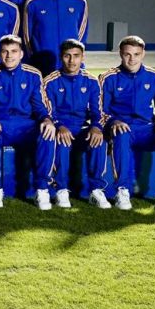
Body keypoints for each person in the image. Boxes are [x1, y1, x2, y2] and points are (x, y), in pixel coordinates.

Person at [99, 35, 155, 211]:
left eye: (136, 54)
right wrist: (113, 121)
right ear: (120, 54)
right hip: (122, 129)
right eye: (127, 54)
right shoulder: (108, 78)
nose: (132, 59)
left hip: (147, 129)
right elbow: (100, 109)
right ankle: (122, 190)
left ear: (143, 53)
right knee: (121, 134)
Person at [0, 35, 57, 210]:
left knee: (47, 132)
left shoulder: (33, 74)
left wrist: (47, 119)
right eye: (5, 51)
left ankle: (42, 189)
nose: (9, 56)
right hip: (0, 124)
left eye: (14, 51)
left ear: (21, 54)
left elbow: (39, 106)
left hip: (26, 125)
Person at [43, 39, 110, 210]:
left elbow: (98, 111)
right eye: (67, 56)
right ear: (61, 57)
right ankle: (61, 189)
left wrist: (96, 127)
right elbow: (48, 111)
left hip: (82, 128)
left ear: (83, 57)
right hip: (61, 128)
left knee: (99, 140)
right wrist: (58, 126)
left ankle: (96, 190)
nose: (72, 61)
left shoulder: (92, 81)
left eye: (76, 56)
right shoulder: (50, 81)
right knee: (61, 141)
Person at [23, 0, 88, 74]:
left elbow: (82, 34)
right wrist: (34, 59)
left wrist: (75, 58)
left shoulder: (79, 2)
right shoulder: (33, 2)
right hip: (42, 66)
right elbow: (26, 36)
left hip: (70, 65)